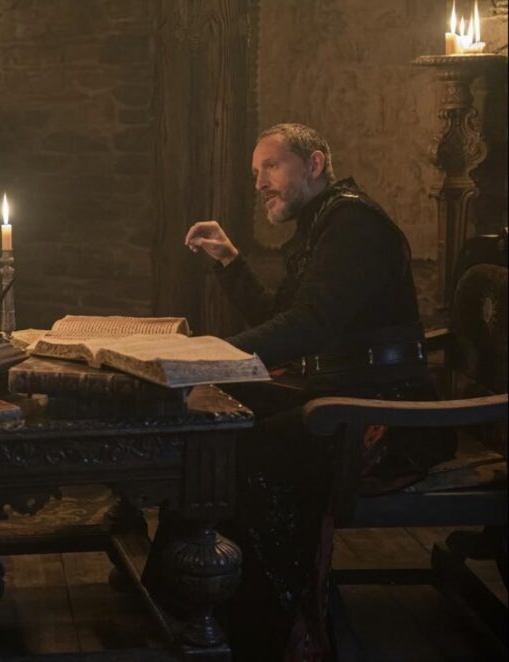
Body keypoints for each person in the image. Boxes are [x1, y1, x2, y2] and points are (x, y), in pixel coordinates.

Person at [182, 123, 453, 660]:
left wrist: (207, 356)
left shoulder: (353, 225)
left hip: (382, 413)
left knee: (243, 446)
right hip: (338, 391)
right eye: (255, 172)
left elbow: (308, 324)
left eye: (271, 166)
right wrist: (231, 262)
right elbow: (286, 321)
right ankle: (192, 597)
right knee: (214, 425)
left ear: (316, 163)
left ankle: (271, 630)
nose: (259, 182)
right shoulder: (321, 225)